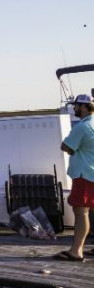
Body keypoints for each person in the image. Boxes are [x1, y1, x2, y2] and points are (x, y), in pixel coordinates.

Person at [54, 94, 94, 261]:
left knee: (81, 211)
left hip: (84, 174)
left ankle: (76, 251)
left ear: (83, 107)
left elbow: (65, 146)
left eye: (76, 106)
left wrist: (73, 149)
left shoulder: (82, 127)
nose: (74, 108)